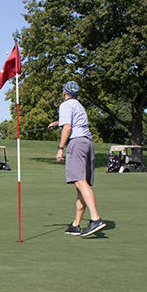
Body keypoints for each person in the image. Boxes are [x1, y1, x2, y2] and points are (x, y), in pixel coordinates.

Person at [48, 81, 106, 237]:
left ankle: (95, 219)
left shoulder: (65, 105)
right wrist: (57, 123)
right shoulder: (78, 105)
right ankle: (76, 224)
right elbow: (71, 123)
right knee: (81, 185)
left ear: (64, 92)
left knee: (80, 182)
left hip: (77, 143)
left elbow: (68, 127)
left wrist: (60, 148)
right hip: (87, 143)